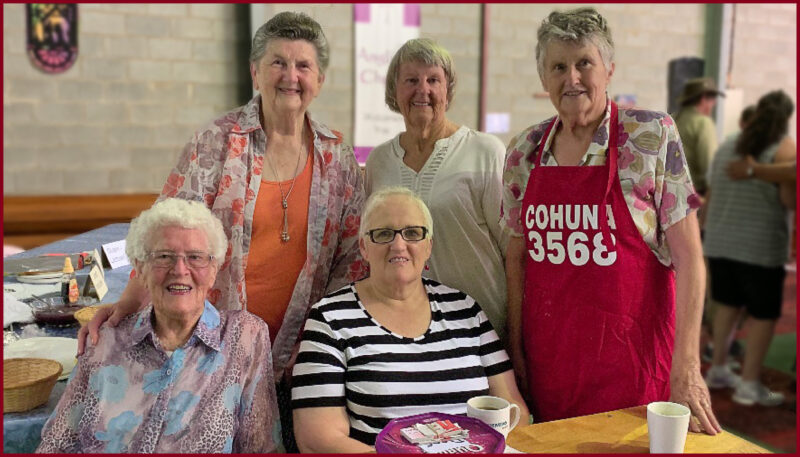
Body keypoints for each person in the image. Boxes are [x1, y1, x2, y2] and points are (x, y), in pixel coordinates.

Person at [79, 11, 367, 451]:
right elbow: (166, 235)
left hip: (304, 357)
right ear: (255, 71)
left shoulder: (338, 158)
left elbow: (351, 263)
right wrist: (125, 305)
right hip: (211, 355)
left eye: (303, 65)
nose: (290, 76)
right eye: (277, 63)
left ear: (320, 79)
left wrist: (319, 340)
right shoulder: (216, 142)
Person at [501, 7, 720, 434]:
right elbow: (516, 259)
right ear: (544, 78)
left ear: (609, 69)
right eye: (558, 67)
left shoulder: (652, 136)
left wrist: (687, 366)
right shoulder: (523, 151)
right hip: (552, 367)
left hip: (635, 372)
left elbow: (691, 258)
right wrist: (516, 351)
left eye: (584, 63)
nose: (572, 78)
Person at [291, 187, 529, 452]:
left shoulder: (466, 310)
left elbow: (513, 409)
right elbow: (317, 441)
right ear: (363, 247)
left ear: (428, 246)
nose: (399, 245)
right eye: (383, 234)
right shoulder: (329, 319)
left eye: (413, 233)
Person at [38, 199, 281, 453]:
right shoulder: (104, 342)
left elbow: (262, 447)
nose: (179, 269)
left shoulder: (244, 338)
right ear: (140, 269)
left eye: (195, 257)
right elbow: (56, 444)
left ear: (213, 270)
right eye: (164, 256)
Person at [365, 38, 509, 339]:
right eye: (411, 80)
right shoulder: (379, 162)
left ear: (449, 90)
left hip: (481, 331)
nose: (423, 90)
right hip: (400, 334)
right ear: (394, 90)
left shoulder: (485, 152)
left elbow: (515, 252)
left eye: (433, 80)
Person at [703, 90, 796, 406]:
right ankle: (749, 384)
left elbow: (712, 197)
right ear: (785, 120)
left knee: (727, 305)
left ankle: (717, 370)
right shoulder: (784, 148)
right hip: (759, 246)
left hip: (720, 241)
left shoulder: (728, 143)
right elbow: (787, 200)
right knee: (763, 315)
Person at [673, 76, 725, 198]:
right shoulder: (703, 123)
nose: (714, 104)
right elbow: (709, 165)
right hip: (694, 196)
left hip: (669, 194)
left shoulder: (672, 119)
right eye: (712, 99)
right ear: (703, 99)